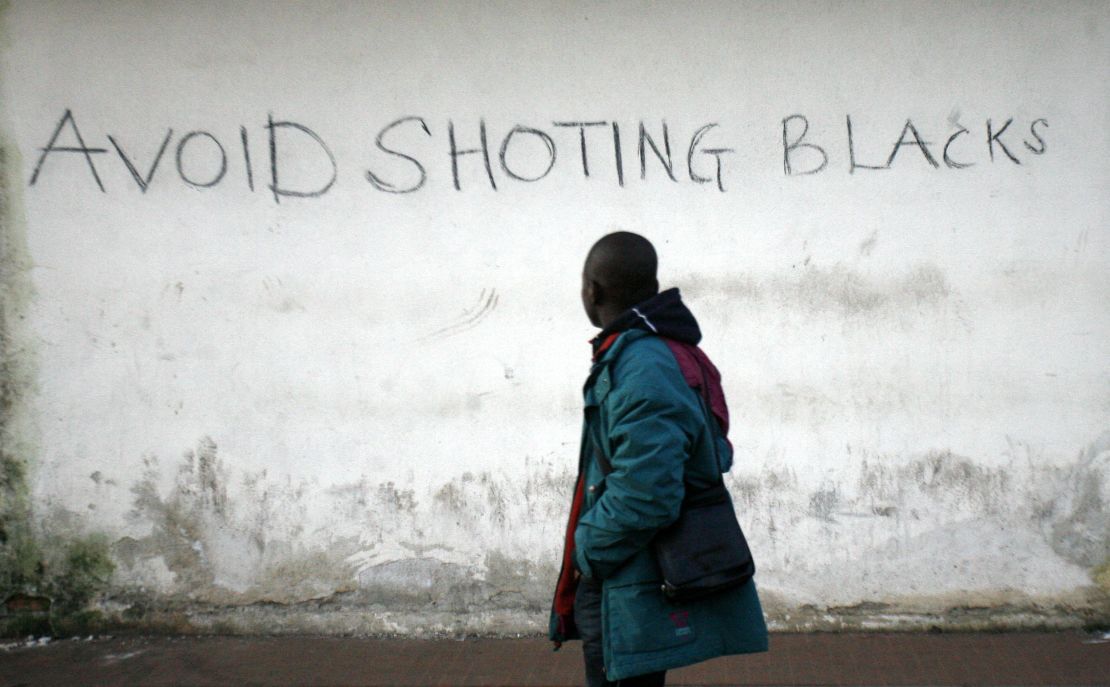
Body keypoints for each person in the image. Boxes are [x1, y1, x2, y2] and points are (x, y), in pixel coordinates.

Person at [549, 232, 768, 686]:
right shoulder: (649, 352)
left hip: (629, 578)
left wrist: (588, 549)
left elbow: (648, 493)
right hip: (633, 574)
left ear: (594, 290)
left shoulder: (643, 365)